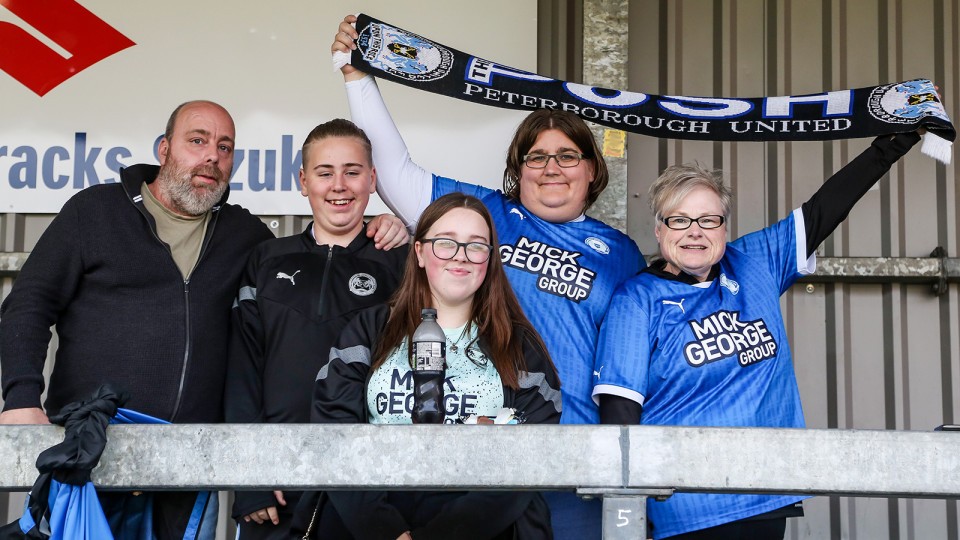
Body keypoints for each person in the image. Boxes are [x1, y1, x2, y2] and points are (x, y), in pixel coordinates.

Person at [0, 101, 406, 539]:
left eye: (225, 147)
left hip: (187, 464)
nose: (212, 155)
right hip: (93, 454)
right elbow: (29, 304)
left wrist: (387, 227)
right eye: (197, 141)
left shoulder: (247, 238)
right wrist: (21, 398)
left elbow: (320, 257)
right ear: (164, 149)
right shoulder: (94, 211)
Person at [333, 17, 645, 536]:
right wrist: (357, 77)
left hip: (574, 463)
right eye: (536, 156)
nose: (551, 167)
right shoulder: (484, 216)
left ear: (593, 169)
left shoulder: (621, 253)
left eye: (568, 156)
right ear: (516, 170)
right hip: (481, 463)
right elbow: (394, 171)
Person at [593, 131, 921, 539]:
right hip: (685, 508)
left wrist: (896, 140)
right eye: (679, 220)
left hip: (762, 494)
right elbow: (620, 413)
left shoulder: (753, 264)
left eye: (708, 219)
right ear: (659, 230)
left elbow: (825, 209)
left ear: (724, 228)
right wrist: (631, 513)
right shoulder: (636, 300)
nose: (694, 231)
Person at [294, 193, 562, 540]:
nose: (460, 257)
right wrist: (386, 530)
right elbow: (334, 435)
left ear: (490, 259)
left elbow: (526, 463)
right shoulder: (369, 330)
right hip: (367, 525)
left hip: (478, 529)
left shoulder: (520, 346)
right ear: (419, 252)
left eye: (476, 246)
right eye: (445, 243)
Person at [224, 118, 408, 539]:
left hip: (367, 486)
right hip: (277, 488)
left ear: (373, 180)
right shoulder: (266, 259)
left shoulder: (401, 265)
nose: (339, 185)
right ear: (304, 182)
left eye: (352, 171)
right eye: (325, 173)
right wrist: (249, 474)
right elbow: (241, 370)